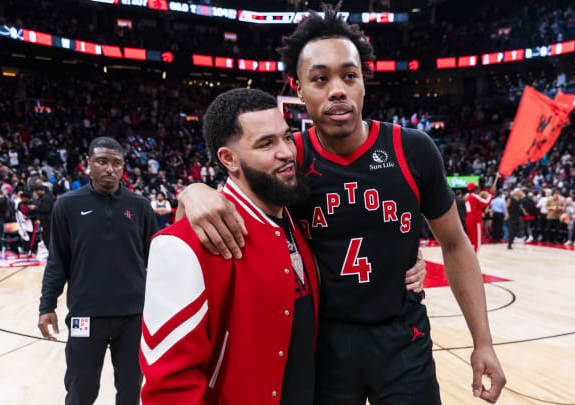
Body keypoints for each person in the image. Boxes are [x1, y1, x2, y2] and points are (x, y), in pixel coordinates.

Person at [177, 4, 505, 404]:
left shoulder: (412, 149)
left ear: (364, 81)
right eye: (319, 78)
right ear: (296, 88)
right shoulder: (288, 158)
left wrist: (483, 342)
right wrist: (193, 191)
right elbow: (228, 205)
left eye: (349, 75)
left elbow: (455, 244)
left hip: (404, 339)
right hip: (322, 344)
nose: (337, 89)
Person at [141, 88, 320, 404]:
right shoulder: (184, 245)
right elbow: (169, 388)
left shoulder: (298, 219)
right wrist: (191, 191)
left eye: (287, 138)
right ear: (229, 159)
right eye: (266, 143)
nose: (287, 152)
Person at [38, 137, 158, 405]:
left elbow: (157, 260)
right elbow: (57, 261)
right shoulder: (67, 205)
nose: (110, 169)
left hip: (133, 316)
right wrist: (47, 306)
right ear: (88, 164)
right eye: (102, 161)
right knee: (81, 390)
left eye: (117, 163)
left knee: (130, 391)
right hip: (85, 315)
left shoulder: (139, 206)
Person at [465, 182, 494, 253]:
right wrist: (491, 194)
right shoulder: (474, 196)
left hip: (469, 219)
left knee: (471, 241)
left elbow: (479, 205)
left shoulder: (468, 197)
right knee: (477, 241)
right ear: (476, 189)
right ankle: (474, 260)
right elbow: (486, 202)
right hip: (475, 220)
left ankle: (469, 257)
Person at [34, 185, 54, 250]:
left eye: (36, 192)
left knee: (47, 237)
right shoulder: (42, 198)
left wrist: (36, 208)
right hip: (44, 221)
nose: (36, 193)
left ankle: (50, 251)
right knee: (45, 237)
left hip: (47, 221)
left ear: (39, 190)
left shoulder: (45, 198)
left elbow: (46, 209)